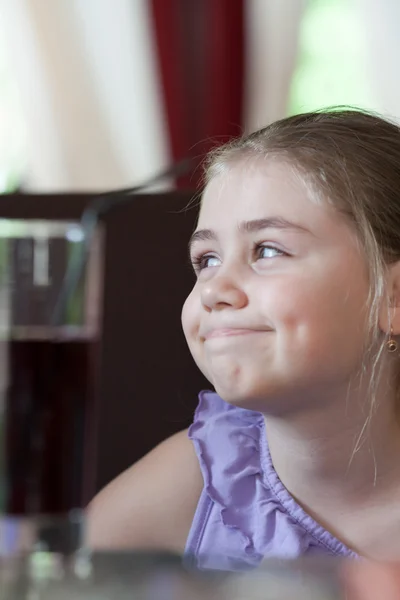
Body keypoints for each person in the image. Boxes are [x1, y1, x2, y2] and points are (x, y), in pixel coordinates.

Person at [87, 109, 400, 576]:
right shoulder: (191, 485)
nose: (213, 289)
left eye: (268, 250)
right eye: (207, 259)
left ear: (392, 298)